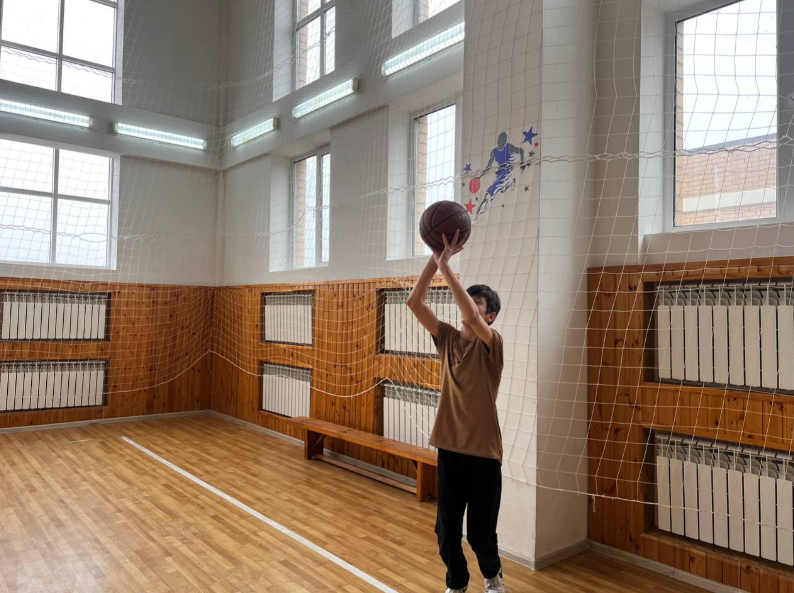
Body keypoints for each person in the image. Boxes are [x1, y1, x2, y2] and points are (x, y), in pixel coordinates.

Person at [406, 231, 506, 593]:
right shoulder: (447, 338)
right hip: (450, 448)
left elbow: (469, 313)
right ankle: (458, 584)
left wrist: (447, 265)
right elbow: (414, 302)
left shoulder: (492, 344)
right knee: (446, 531)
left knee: (480, 534)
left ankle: (492, 577)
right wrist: (434, 259)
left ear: (489, 316)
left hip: (483, 454)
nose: (469, 308)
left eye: (477, 304)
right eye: (469, 301)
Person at [474, 131, 524, 220]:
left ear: (505, 141)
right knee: (501, 189)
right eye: (499, 140)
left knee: (488, 194)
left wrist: (522, 163)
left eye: (502, 140)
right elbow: (489, 165)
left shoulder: (509, 147)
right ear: (497, 140)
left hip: (507, 172)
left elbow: (521, 151)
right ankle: (510, 182)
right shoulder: (494, 152)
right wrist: (480, 176)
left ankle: (476, 217)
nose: (500, 142)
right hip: (500, 173)